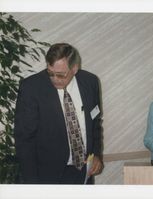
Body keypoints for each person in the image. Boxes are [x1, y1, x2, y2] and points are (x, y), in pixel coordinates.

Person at [14, 43, 103, 184]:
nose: (54, 79)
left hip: (83, 172)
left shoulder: (90, 82)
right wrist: (32, 185)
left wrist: (96, 154)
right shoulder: (31, 88)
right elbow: (24, 140)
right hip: (46, 176)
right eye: (50, 73)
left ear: (74, 68)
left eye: (60, 75)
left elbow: (95, 123)